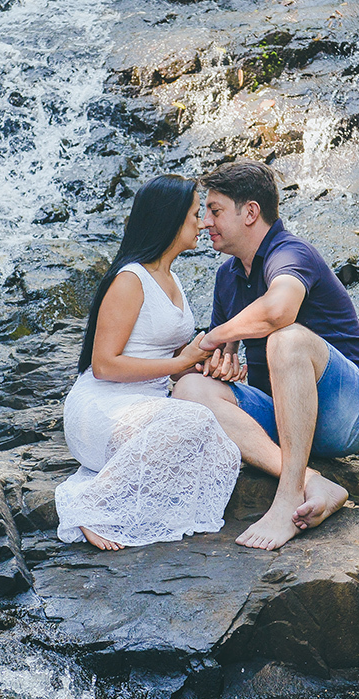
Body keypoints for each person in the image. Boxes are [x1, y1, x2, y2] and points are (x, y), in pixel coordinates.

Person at [173, 160, 359, 551]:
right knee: (190, 390)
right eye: (205, 212)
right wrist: (220, 361)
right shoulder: (228, 276)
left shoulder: (291, 253)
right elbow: (218, 355)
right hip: (289, 417)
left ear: (250, 212)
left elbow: (278, 311)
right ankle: (312, 481)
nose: (205, 222)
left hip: (352, 410)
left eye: (215, 211)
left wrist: (216, 336)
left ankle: (288, 498)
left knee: (286, 339)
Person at [56, 175, 242, 550]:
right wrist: (180, 365)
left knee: (224, 449)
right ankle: (90, 506)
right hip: (102, 410)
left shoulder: (170, 277)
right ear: (170, 220)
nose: (204, 223)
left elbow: (168, 354)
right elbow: (105, 365)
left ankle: (110, 498)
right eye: (195, 214)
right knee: (197, 419)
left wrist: (206, 365)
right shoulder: (130, 280)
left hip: (146, 407)